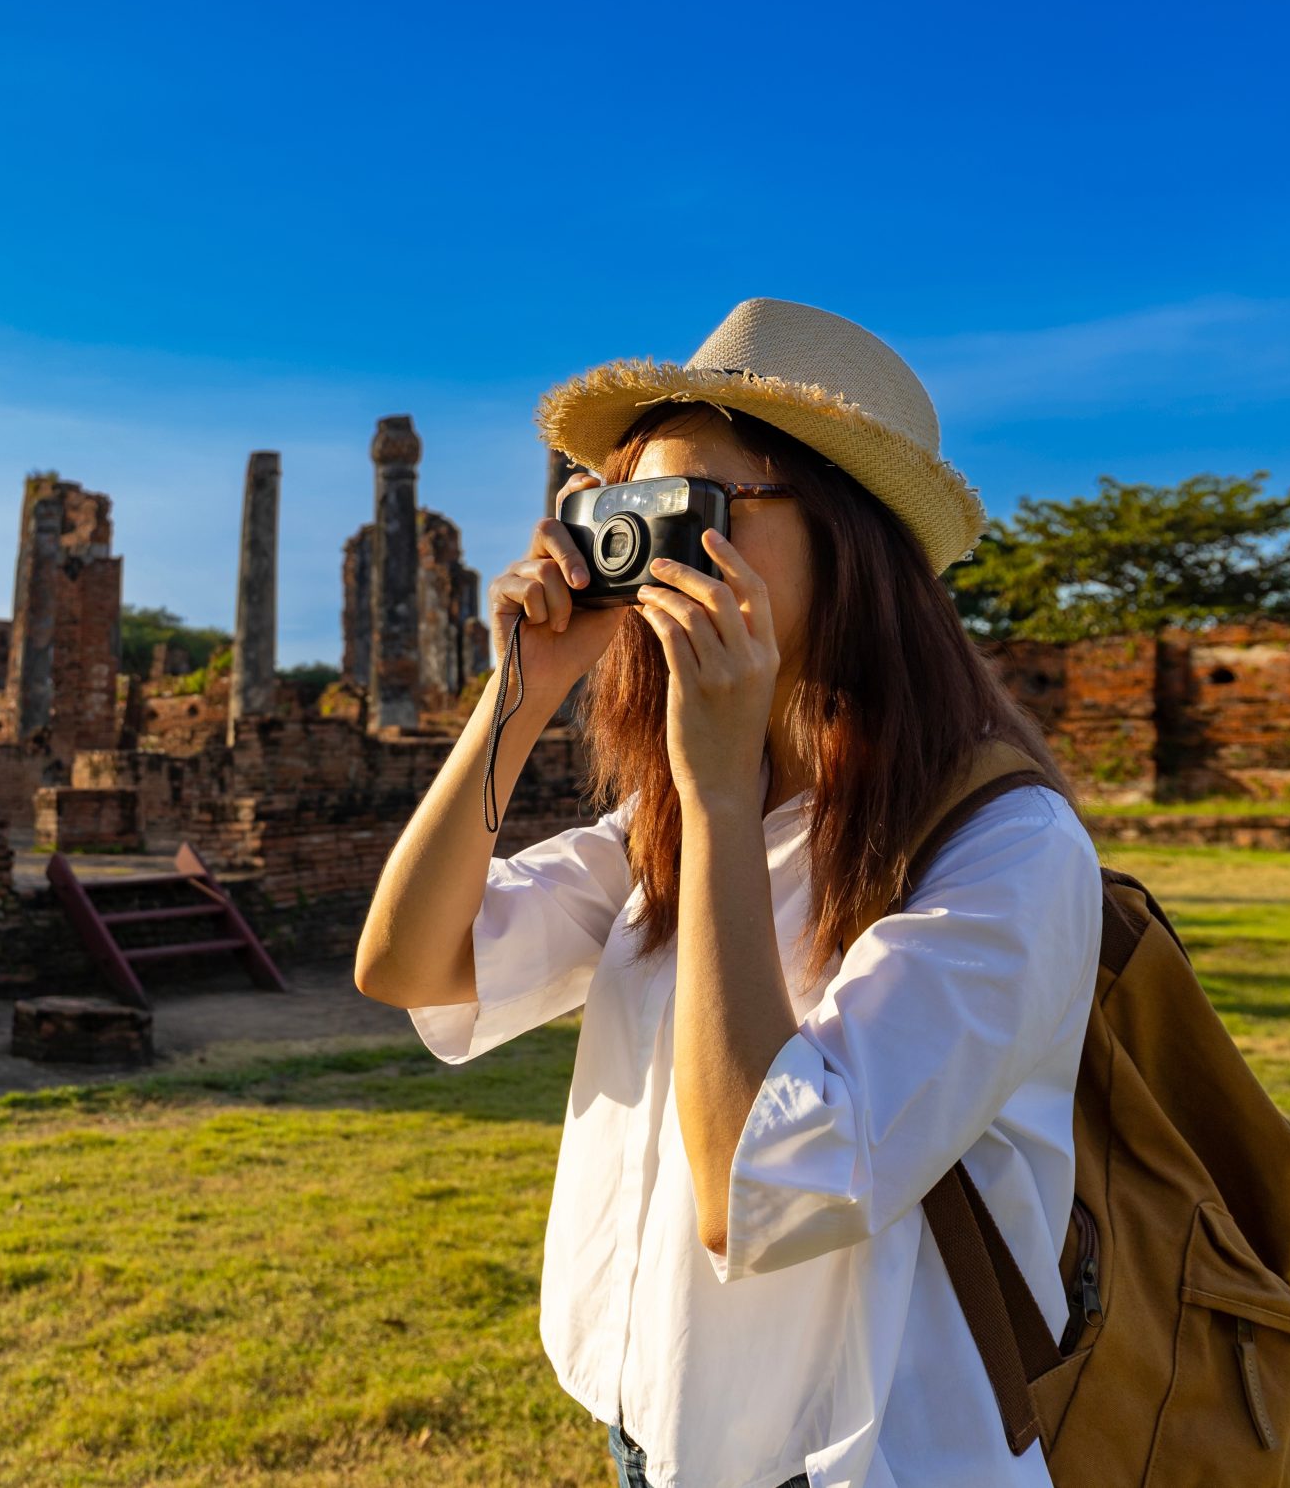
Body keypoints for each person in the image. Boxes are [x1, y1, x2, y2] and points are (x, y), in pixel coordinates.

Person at [353, 299, 1102, 1488]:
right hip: (649, 1437)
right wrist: (525, 691)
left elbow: (763, 1187)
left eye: (694, 513)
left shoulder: (1008, 849)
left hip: (870, 1461)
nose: (649, 556)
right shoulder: (681, 815)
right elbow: (411, 963)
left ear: (848, 533)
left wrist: (709, 792)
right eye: (622, 514)